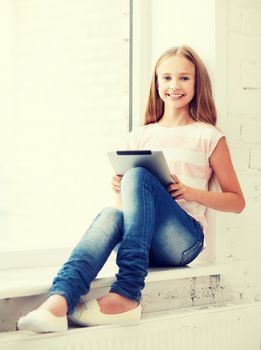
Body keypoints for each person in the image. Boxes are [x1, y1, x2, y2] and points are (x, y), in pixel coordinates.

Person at [17, 45, 245, 333]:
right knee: (110, 214)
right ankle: (59, 301)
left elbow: (237, 202)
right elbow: (126, 209)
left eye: (184, 78)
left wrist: (189, 192)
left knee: (137, 176)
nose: (175, 86)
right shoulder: (140, 136)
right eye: (167, 78)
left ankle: (128, 292)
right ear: (157, 83)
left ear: (197, 84)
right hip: (142, 243)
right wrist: (121, 186)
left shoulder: (209, 136)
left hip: (183, 241)